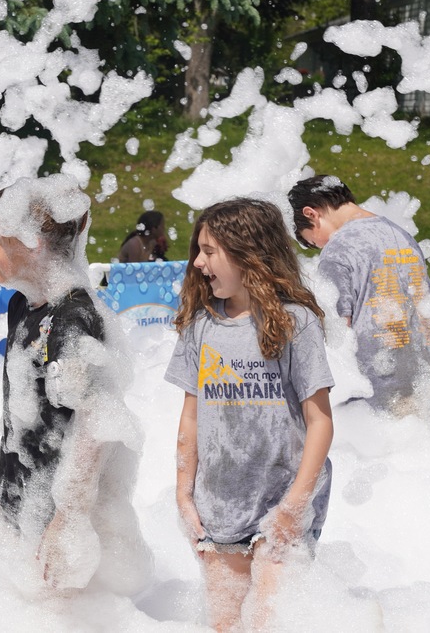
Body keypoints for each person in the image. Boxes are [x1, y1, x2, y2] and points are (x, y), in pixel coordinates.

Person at [0, 174, 150, 597]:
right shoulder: (23, 304)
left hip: (58, 526)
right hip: (27, 511)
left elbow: (95, 423)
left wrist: (69, 518)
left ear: (33, 241)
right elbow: (24, 417)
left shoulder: (73, 320)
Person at [165, 198, 334, 631]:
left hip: (283, 499)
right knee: (225, 624)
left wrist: (296, 503)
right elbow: (192, 419)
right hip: (220, 503)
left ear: (248, 252)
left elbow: (320, 422)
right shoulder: (200, 326)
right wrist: (185, 494)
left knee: (268, 621)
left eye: (209, 250)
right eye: (198, 251)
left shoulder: (294, 324)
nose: (199, 262)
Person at [288, 175, 430, 417]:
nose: (319, 247)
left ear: (311, 214)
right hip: (423, 382)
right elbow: (428, 312)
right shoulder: (402, 235)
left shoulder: (338, 248)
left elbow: (336, 332)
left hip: (372, 394)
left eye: (312, 241)